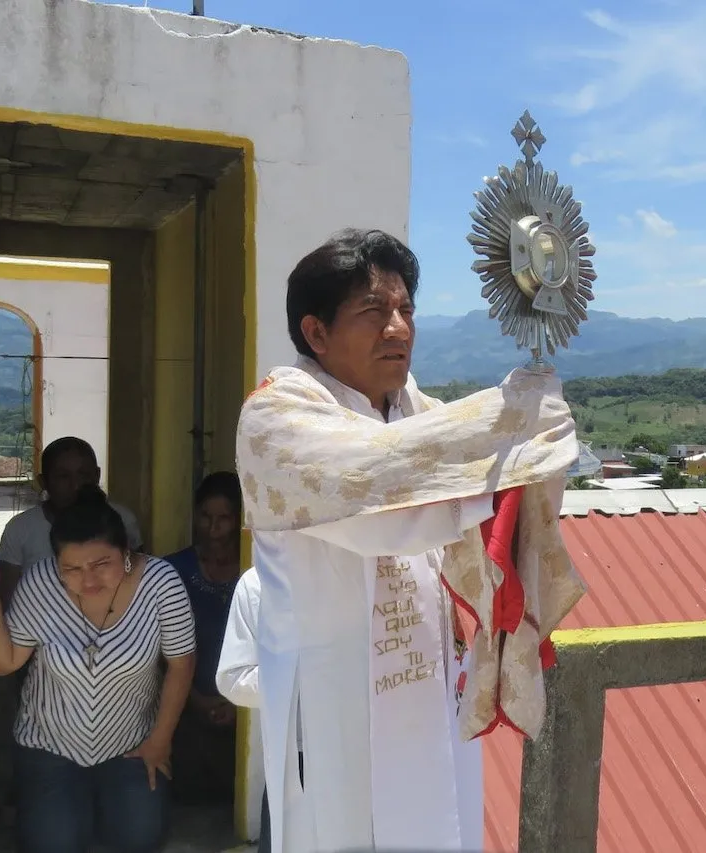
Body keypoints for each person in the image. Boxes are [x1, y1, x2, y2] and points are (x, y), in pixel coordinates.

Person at [234, 228, 587, 852]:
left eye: (406, 310)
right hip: (332, 697)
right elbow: (386, 497)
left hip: (425, 686)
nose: (397, 328)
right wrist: (513, 428)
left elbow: (468, 477)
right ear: (315, 333)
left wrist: (528, 442)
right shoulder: (276, 419)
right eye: (374, 312)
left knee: (435, 826)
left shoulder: (417, 410)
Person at [0, 485, 196, 853]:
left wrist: (160, 741)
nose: (87, 581)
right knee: (53, 843)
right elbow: (3, 662)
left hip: (131, 743)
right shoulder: (41, 582)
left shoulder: (161, 583)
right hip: (48, 745)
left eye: (100, 565)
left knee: (139, 838)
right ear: (55, 562)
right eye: (72, 569)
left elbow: (181, 663)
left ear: (125, 553)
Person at [165, 471, 243, 805]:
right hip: (185, 706)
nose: (214, 529)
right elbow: (156, 653)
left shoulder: (260, 573)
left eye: (224, 518)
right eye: (206, 517)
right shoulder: (172, 571)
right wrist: (196, 701)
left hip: (248, 706)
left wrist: (241, 709)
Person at [0, 436, 143, 601]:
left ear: (97, 475)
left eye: (84, 474)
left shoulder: (123, 520)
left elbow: (140, 582)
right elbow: (7, 599)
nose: (75, 485)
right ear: (43, 481)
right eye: (63, 477)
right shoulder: (20, 529)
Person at [216, 566, 291, 853]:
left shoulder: (382, 568)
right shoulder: (261, 581)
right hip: (295, 758)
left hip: (376, 750)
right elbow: (233, 679)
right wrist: (310, 678)